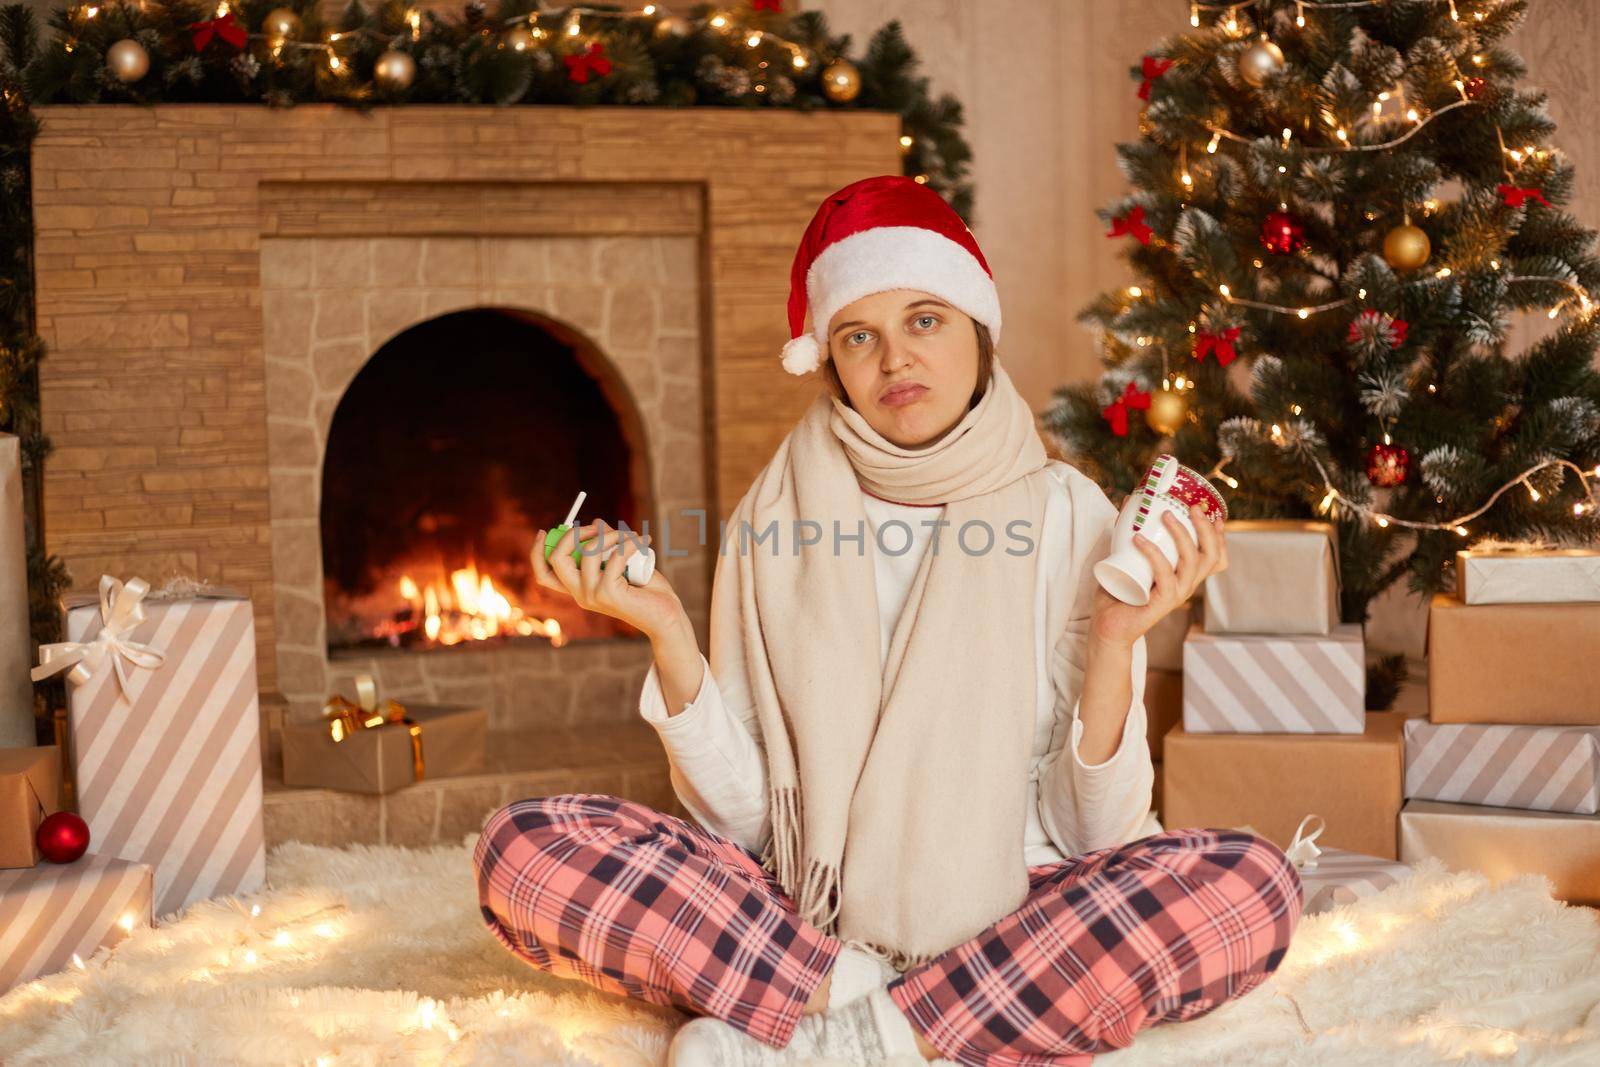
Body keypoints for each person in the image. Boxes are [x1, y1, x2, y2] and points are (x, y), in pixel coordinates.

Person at [474, 175, 1302, 1067]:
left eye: (925, 320)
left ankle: (839, 1037)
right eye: (858, 335)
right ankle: (880, 1005)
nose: (895, 359)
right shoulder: (774, 516)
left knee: (1251, 886)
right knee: (521, 851)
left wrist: (1112, 641)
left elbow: (1093, 836)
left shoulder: (1071, 513)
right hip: (808, 914)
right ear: (830, 362)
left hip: (1021, 903)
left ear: (979, 332)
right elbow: (749, 825)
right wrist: (670, 633)